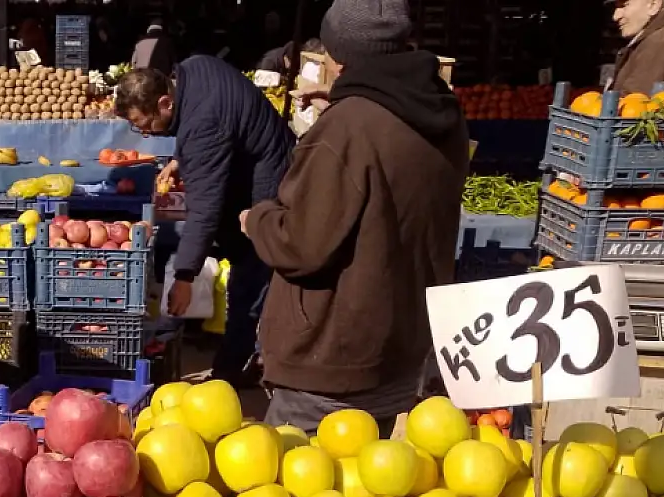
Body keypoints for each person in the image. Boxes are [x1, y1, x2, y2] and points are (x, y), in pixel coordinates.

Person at [238, 0, 469, 433]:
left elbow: (302, 244)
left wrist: (258, 220)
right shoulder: (444, 113)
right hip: (398, 349)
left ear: (340, 56)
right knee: (367, 492)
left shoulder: (347, 129)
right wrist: (348, 99)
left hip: (331, 360)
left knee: (292, 493)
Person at [115, 57, 294, 388]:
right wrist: (180, 160)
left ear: (165, 102)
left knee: (249, 277)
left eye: (145, 123)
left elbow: (204, 209)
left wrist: (185, 276)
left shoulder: (202, 127)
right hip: (255, 163)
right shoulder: (192, 69)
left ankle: (231, 373)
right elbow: (213, 129)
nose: (143, 132)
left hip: (269, 183)